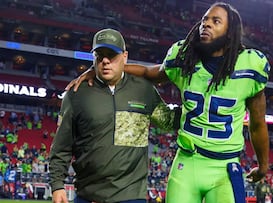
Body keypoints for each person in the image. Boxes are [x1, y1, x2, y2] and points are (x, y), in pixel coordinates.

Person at [67, 2, 270, 203]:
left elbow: (258, 124)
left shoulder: (249, 67)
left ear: (230, 32)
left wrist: (263, 165)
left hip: (224, 166)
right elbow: (148, 73)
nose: (206, 24)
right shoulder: (185, 59)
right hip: (187, 162)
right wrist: (104, 68)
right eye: (204, 20)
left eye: (215, 21)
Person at [49, 28, 179, 203]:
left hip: (131, 196)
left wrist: (199, 106)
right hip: (88, 196)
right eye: (99, 55)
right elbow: (61, 146)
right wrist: (57, 185)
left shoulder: (144, 90)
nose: (105, 61)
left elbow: (168, 121)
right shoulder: (77, 93)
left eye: (112, 55)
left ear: (125, 56)